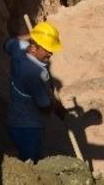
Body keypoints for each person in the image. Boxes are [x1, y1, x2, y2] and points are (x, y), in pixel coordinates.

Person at [5, 21, 65, 163]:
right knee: (31, 164)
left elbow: (8, 43)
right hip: (28, 128)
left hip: (14, 119)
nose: (51, 52)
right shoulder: (34, 73)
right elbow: (44, 106)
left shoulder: (19, 49)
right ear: (33, 49)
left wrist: (31, 36)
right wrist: (58, 109)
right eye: (47, 49)